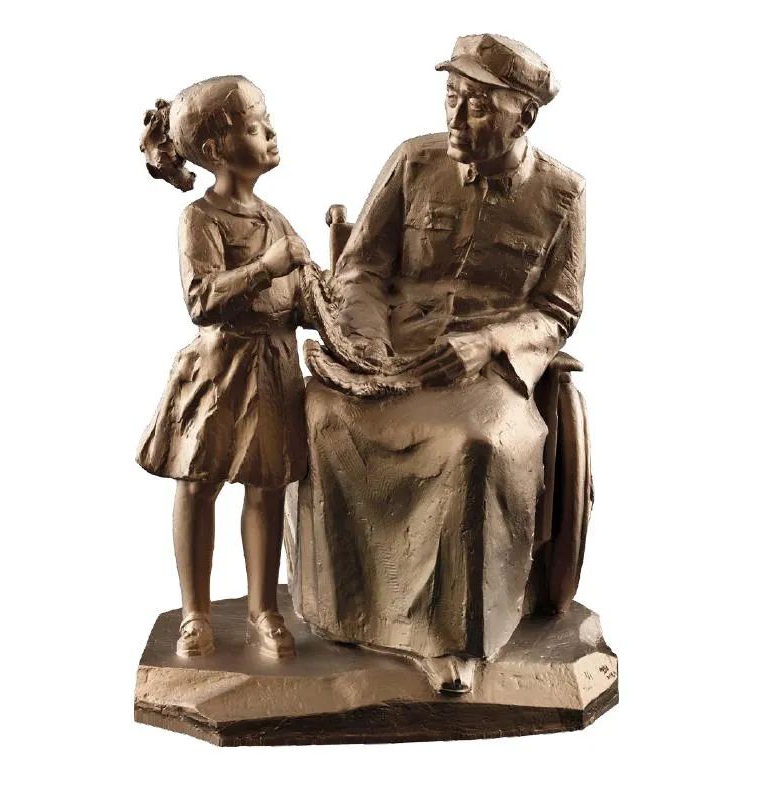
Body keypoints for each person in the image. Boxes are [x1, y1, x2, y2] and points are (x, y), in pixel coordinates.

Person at [291, 35, 586, 691]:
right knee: (321, 416)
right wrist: (367, 341)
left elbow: (558, 310)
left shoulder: (562, 193)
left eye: (477, 106)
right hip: (390, 350)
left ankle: (455, 639)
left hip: (488, 371)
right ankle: (340, 613)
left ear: (523, 115)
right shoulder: (413, 161)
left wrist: (491, 343)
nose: (454, 117)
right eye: (451, 97)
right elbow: (360, 270)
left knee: (472, 447)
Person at [136, 76, 315, 659]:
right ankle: (196, 613)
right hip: (218, 372)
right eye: (256, 126)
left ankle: (263, 609)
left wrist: (331, 268)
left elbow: (308, 300)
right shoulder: (201, 218)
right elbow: (201, 300)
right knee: (198, 484)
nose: (272, 132)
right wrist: (266, 268)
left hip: (274, 369)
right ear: (215, 149)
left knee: (267, 489)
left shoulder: (275, 220)